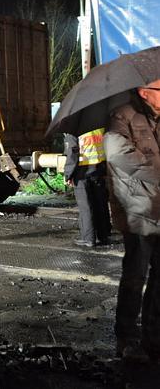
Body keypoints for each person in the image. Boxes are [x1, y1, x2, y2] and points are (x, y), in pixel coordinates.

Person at [104, 79, 160, 361]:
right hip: (138, 211)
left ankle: (154, 338)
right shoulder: (122, 115)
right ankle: (126, 338)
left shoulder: (157, 117)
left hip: (159, 209)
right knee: (135, 277)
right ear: (145, 91)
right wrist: (157, 170)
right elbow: (117, 153)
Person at [64, 129, 111, 247]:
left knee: (86, 206)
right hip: (98, 168)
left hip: (81, 172)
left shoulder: (75, 129)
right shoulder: (99, 128)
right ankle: (103, 235)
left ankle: (88, 238)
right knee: (100, 203)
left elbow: (72, 153)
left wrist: (68, 174)